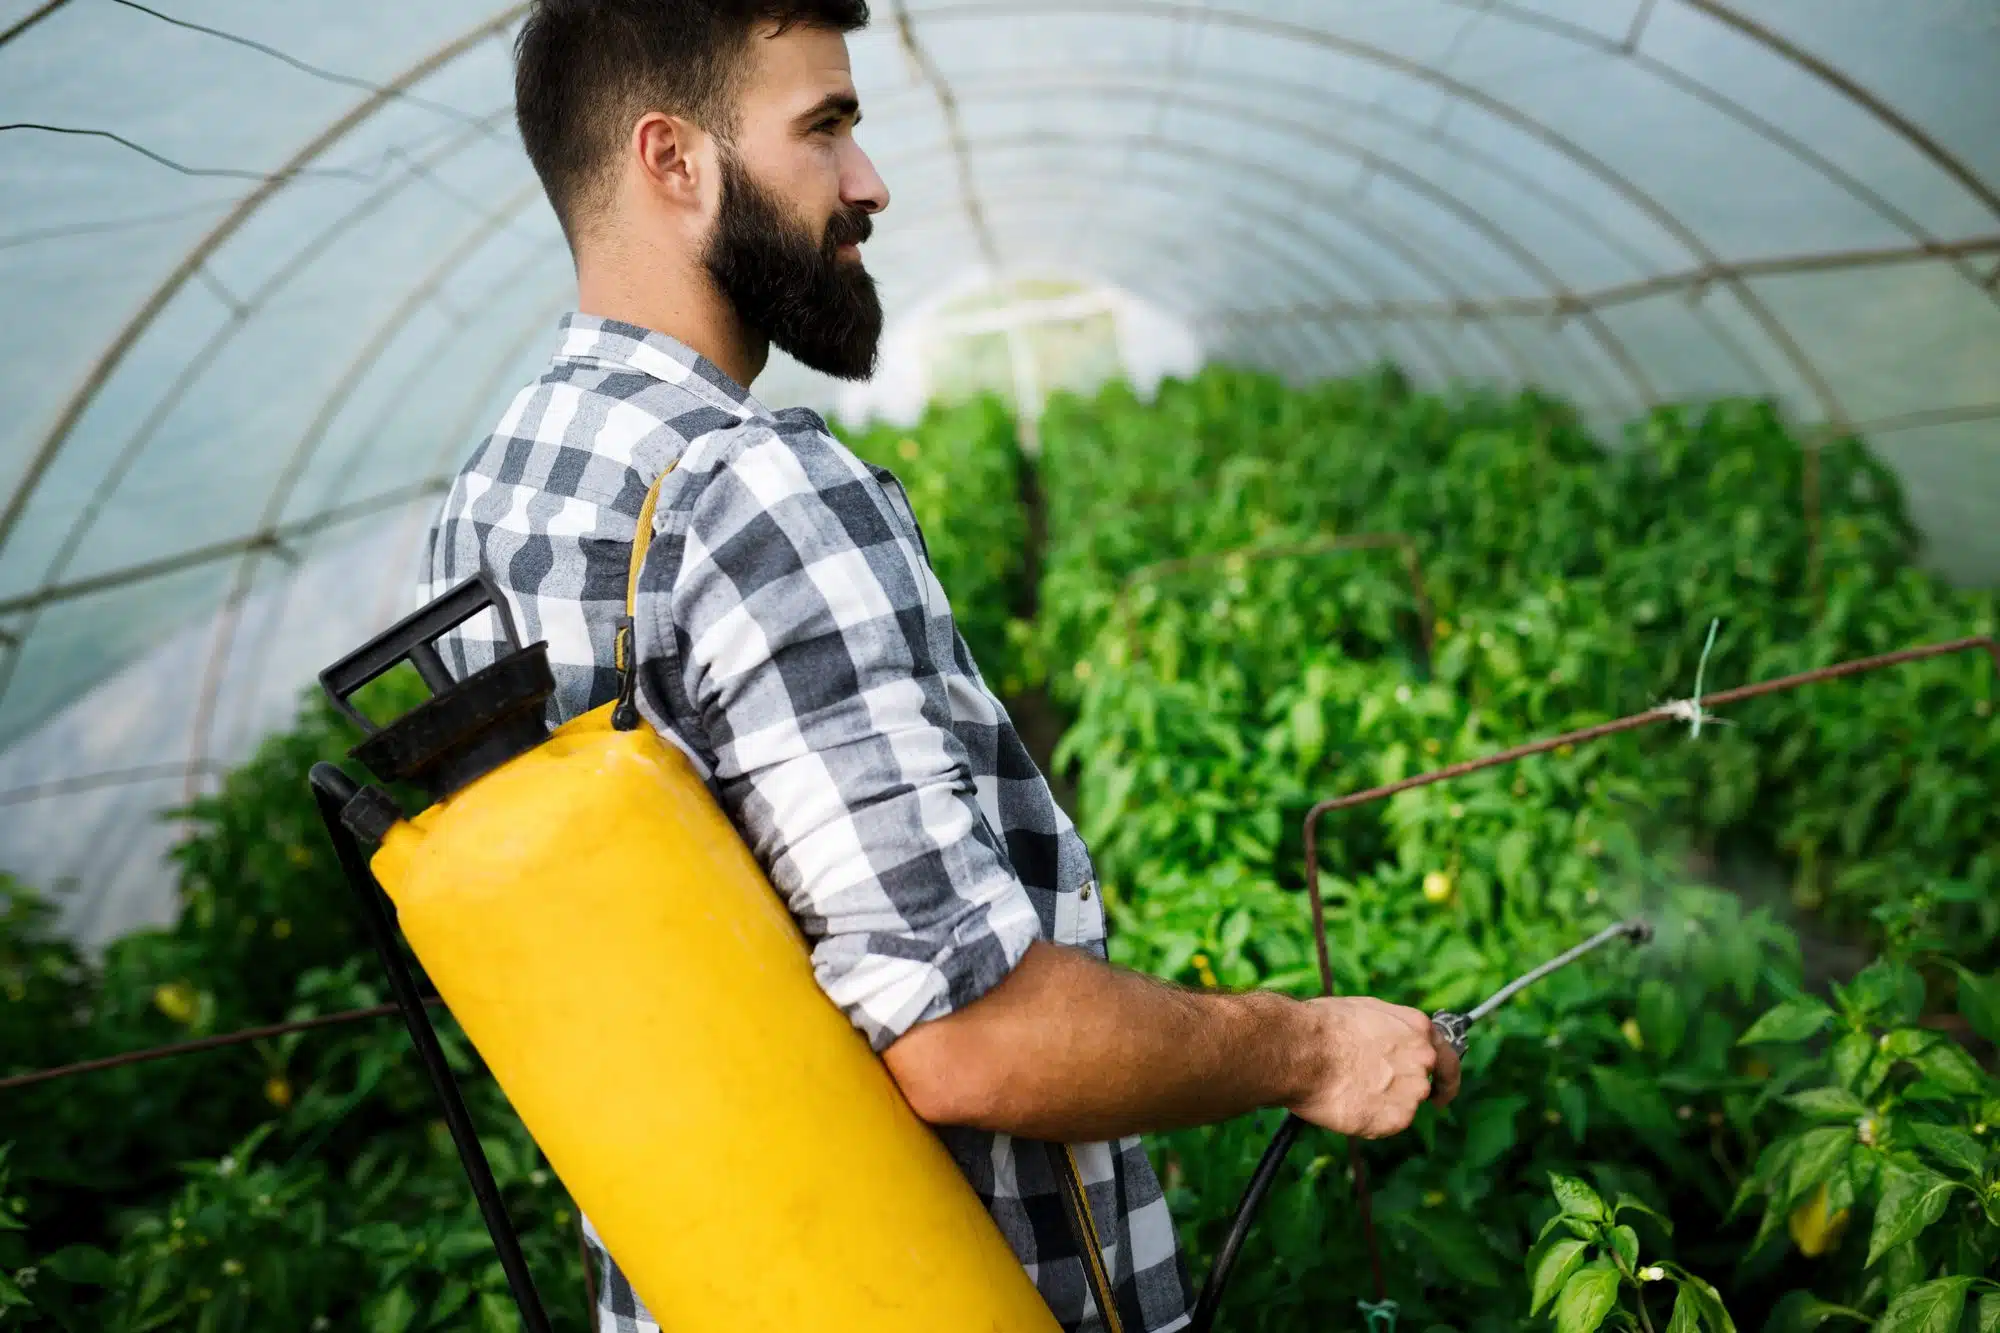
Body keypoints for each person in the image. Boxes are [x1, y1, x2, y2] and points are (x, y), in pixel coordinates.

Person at [421, 3, 1460, 1330]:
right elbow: (969, 1037)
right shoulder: (754, 492)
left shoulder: (490, 500)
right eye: (824, 129)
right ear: (672, 161)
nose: (869, 182)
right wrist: (1310, 1047)